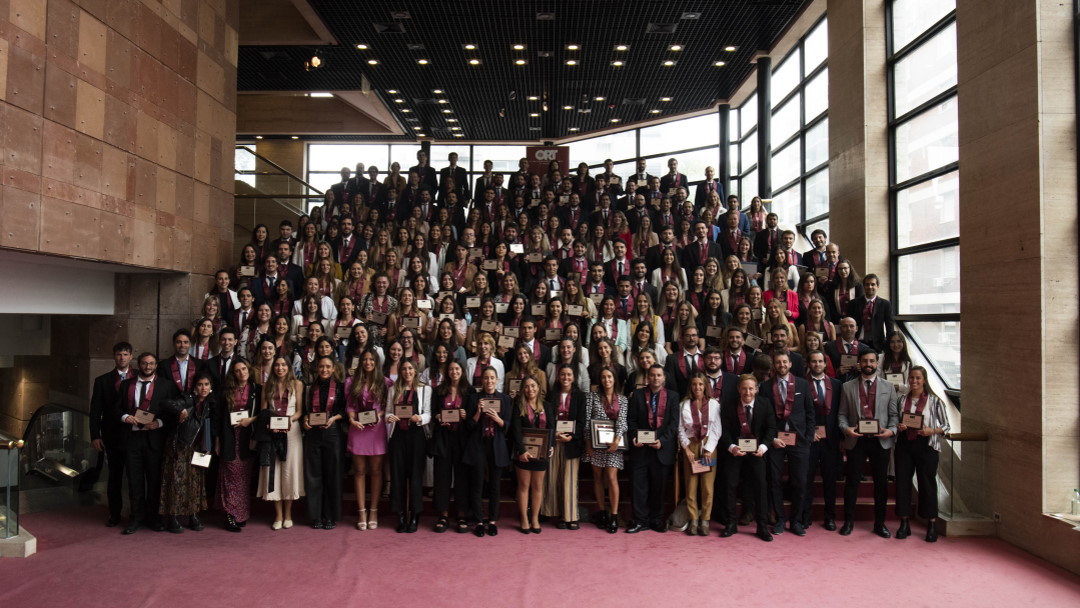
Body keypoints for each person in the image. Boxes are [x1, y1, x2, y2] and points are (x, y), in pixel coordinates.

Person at [113, 352, 177, 534]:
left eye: (151, 363)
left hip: (154, 439)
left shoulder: (166, 386)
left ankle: (154, 518)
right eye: (144, 363)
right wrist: (125, 417)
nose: (148, 366)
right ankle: (137, 517)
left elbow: (172, 413)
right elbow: (115, 408)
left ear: (156, 365)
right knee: (134, 481)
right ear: (138, 364)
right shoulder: (126, 385)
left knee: (155, 480)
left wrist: (159, 423)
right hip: (132, 439)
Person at [838, 350, 898, 538]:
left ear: (876, 364)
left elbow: (894, 416)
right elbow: (841, 415)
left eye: (872, 360)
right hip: (856, 440)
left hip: (880, 441)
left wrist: (891, 431)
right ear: (859, 363)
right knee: (852, 483)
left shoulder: (889, 387)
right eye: (865, 360)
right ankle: (848, 522)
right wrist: (846, 430)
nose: (869, 363)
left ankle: (879, 524)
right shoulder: (847, 387)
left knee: (881, 484)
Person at [762, 352, 815, 536]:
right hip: (776, 440)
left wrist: (808, 437)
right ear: (774, 365)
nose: (782, 364)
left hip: (799, 440)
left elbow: (810, 412)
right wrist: (770, 439)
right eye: (778, 362)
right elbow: (764, 417)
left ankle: (796, 521)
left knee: (800, 481)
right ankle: (780, 519)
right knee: (774, 481)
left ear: (790, 364)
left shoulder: (802, 384)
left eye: (784, 361)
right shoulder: (766, 387)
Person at [894, 366, 950, 542]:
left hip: (926, 445)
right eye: (911, 378)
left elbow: (947, 426)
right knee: (902, 483)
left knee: (927, 484)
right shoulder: (902, 399)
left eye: (918, 378)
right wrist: (899, 426)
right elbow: (896, 419)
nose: (914, 381)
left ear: (924, 380)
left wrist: (932, 430)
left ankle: (931, 523)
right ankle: (904, 523)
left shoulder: (935, 401)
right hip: (904, 445)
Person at [719, 374, 776, 542]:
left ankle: (762, 526)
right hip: (735, 452)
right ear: (738, 389)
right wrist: (731, 447)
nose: (747, 392)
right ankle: (730, 524)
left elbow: (771, 428)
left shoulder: (765, 404)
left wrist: (764, 447)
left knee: (761, 486)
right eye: (744, 388)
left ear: (756, 389)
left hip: (757, 451)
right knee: (729, 485)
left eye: (751, 388)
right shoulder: (729, 405)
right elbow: (724, 430)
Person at [625, 364, 679, 534]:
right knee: (638, 487)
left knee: (659, 487)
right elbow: (631, 420)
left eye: (659, 375)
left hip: (661, 450)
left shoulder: (673, 396)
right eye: (653, 375)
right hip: (640, 449)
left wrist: (661, 441)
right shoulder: (637, 396)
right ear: (647, 377)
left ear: (664, 378)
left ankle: (656, 520)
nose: (656, 378)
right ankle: (640, 520)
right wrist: (634, 436)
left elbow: (673, 424)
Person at [159, 373, 214, 533]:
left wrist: (208, 445)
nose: (203, 388)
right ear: (194, 387)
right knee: (176, 481)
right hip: (180, 444)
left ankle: (192, 515)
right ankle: (173, 517)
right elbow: (165, 403)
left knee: (195, 482)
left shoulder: (210, 403)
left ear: (211, 387)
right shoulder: (187, 398)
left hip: (197, 447)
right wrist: (180, 410)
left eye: (206, 384)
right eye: (200, 385)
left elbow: (207, 425)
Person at [256, 355, 306, 530]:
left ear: (289, 367)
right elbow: (263, 411)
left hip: (291, 431)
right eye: (277, 365)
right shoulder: (266, 386)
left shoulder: (297, 385)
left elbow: (300, 411)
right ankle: (278, 514)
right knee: (274, 470)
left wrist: (288, 421)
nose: (280, 368)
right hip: (271, 431)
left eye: (283, 365)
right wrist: (272, 424)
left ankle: (289, 513)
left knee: (289, 471)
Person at [463, 366, 513, 537]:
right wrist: (478, 411)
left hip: (496, 445)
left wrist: (498, 420)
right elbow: (469, 426)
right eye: (486, 378)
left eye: (492, 378)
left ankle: (492, 521)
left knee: (494, 486)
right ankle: (478, 521)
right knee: (476, 485)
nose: (489, 381)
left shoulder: (505, 399)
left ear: (497, 380)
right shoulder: (473, 398)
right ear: (481, 381)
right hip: (478, 444)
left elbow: (508, 426)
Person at [89, 341, 133, 527]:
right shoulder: (102, 381)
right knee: (114, 476)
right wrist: (95, 435)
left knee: (134, 476)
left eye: (125, 354)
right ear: (114, 356)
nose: (122, 358)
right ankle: (114, 513)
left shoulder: (140, 376)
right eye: (118, 354)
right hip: (112, 435)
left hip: (135, 435)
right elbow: (95, 410)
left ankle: (136, 513)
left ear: (131, 356)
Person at [385, 359, 431, 533]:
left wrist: (420, 418)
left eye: (410, 368)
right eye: (403, 369)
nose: (407, 372)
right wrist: (389, 417)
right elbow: (388, 411)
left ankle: (414, 515)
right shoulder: (393, 390)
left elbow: (428, 413)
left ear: (415, 370)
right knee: (398, 476)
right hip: (398, 436)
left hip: (417, 435)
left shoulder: (425, 389)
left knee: (415, 477)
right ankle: (401, 515)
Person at [345, 350, 390, 530]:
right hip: (358, 428)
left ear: (376, 362)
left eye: (371, 359)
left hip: (376, 430)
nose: (368, 362)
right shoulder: (351, 381)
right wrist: (351, 419)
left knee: (376, 470)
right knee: (360, 471)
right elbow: (349, 405)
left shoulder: (385, 382)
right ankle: (361, 510)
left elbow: (388, 405)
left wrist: (379, 415)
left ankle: (374, 510)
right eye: (365, 359)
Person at [301, 356, 346, 529]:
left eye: (328, 367)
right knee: (314, 476)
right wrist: (305, 419)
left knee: (332, 475)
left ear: (334, 368)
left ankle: (330, 515)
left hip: (333, 434)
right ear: (317, 368)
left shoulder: (340, 387)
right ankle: (316, 515)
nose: (324, 370)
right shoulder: (310, 388)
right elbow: (306, 410)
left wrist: (335, 417)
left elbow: (344, 410)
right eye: (321, 366)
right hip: (313, 434)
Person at [215, 357, 259, 532]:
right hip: (229, 437)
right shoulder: (225, 391)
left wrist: (250, 420)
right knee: (229, 477)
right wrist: (217, 441)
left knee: (243, 478)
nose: (241, 373)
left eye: (244, 369)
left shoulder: (257, 389)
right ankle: (229, 515)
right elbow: (218, 417)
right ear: (233, 374)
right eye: (237, 370)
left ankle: (240, 514)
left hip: (247, 437)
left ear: (249, 370)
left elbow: (264, 413)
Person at [801, 350, 842, 531]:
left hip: (830, 440)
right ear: (809, 364)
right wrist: (807, 433)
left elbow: (840, 412)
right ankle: (806, 516)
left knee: (830, 480)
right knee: (806, 479)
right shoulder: (802, 385)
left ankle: (830, 517)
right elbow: (798, 413)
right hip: (809, 438)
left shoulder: (837, 384)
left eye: (820, 361)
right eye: (814, 362)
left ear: (825, 364)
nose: (817, 365)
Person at [677, 374, 722, 536]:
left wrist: (709, 449)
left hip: (709, 446)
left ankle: (705, 520)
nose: (697, 388)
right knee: (690, 486)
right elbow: (680, 429)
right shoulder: (683, 405)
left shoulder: (714, 404)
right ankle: (693, 519)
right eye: (694, 384)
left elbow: (717, 429)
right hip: (690, 446)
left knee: (707, 487)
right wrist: (686, 449)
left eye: (700, 385)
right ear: (691, 386)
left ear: (705, 386)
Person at [430, 361, 472, 533]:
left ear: (462, 371)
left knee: (462, 477)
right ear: (447, 372)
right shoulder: (438, 391)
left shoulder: (469, 392)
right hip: (443, 438)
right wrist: (438, 416)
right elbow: (432, 412)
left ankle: (461, 514)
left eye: (457, 369)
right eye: (451, 369)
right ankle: (443, 514)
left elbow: (473, 419)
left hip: (462, 439)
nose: (454, 371)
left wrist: (466, 414)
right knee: (442, 476)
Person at [510, 376, 555, 533]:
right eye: (527, 386)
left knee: (537, 486)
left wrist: (552, 446)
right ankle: (523, 518)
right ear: (523, 389)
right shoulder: (518, 406)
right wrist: (522, 450)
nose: (530, 389)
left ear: (539, 387)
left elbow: (551, 428)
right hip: (523, 453)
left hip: (541, 453)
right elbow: (515, 430)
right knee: (523, 486)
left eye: (533, 386)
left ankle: (535, 518)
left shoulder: (547, 406)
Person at [846, 274, 895, 351]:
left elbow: (890, 327)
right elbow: (848, 324)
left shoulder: (885, 304)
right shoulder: (854, 303)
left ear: (877, 286)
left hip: (878, 344)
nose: (870, 287)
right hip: (857, 343)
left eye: (873, 284)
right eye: (867, 284)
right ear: (863, 286)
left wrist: (889, 345)